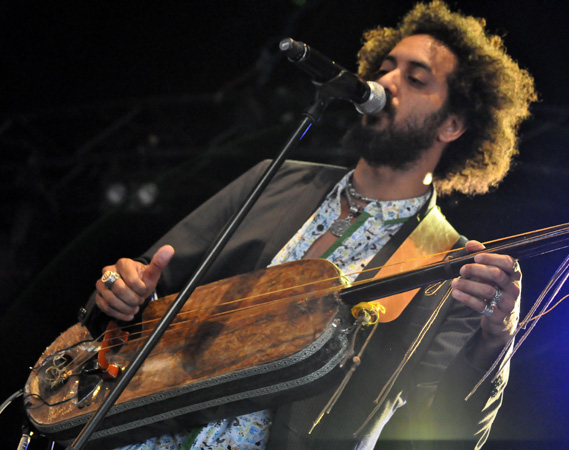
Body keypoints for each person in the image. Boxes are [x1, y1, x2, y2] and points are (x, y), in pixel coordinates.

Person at [80, 1, 536, 449]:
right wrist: (120, 289)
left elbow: (450, 433)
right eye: (384, 67)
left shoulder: (447, 264)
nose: (385, 82)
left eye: (415, 78)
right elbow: (136, 289)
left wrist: (496, 342)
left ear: (453, 125)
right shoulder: (272, 179)